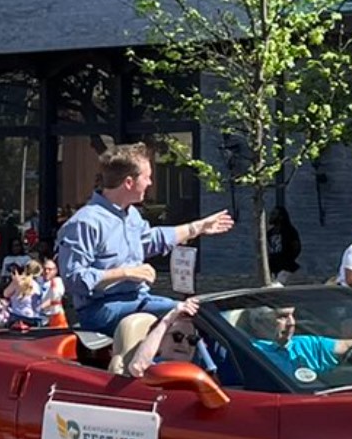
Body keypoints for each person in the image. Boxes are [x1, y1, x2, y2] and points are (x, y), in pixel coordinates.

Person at [54, 143, 234, 333]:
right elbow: (73, 279)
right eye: (147, 177)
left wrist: (198, 227)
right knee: (181, 313)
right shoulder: (84, 223)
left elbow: (151, 240)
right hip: (101, 309)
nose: (150, 183)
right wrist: (126, 273)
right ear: (129, 183)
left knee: (202, 313)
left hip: (138, 299)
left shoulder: (132, 215)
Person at [242, 305, 352, 380]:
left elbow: (351, 346)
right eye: (282, 317)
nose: (291, 324)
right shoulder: (250, 353)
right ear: (258, 323)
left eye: (292, 316)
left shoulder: (307, 344)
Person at [124, 298, 213, 377]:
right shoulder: (153, 369)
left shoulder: (202, 374)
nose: (184, 343)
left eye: (192, 340)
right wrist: (167, 320)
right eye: (177, 336)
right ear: (159, 341)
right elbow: (138, 367)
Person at [267, 205, 302, 282]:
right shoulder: (269, 233)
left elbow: (296, 247)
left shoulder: (289, 231)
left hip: (285, 267)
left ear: (280, 217)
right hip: (272, 266)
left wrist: (288, 259)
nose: (270, 216)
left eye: (274, 214)